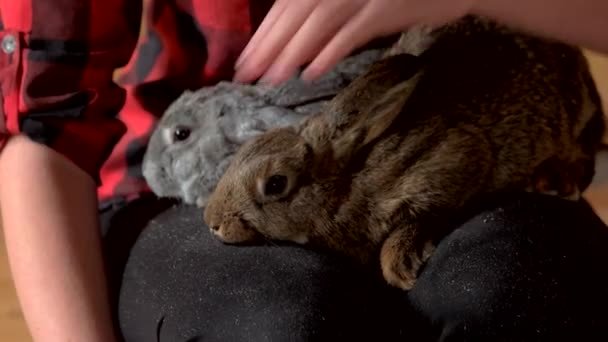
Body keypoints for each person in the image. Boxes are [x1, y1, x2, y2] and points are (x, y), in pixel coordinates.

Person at [0, 0, 607, 341]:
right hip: (178, 188)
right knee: (291, 325)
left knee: (517, 293)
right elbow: (46, 127)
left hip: (445, 135)